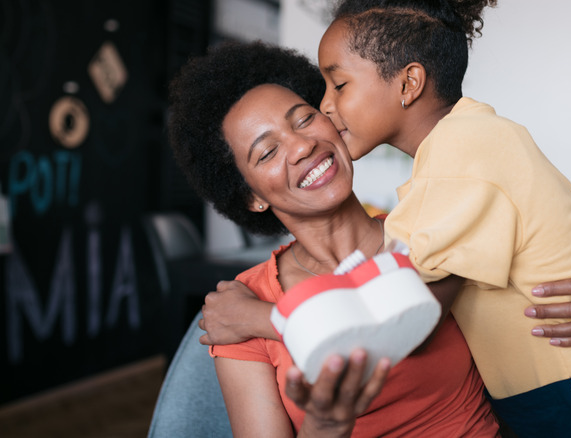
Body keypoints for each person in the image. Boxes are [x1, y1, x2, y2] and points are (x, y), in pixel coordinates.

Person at [313, 0, 571, 436]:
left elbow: (399, 312)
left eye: (338, 84)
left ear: (409, 82)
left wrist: (257, 317)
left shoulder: (463, 149)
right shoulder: (460, 147)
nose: (326, 105)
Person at [167, 40, 501, 437]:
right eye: (268, 151)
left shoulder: (425, 228)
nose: (302, 146)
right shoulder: (239, 306)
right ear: (252, 197)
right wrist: (324, 428)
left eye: (304, 119)